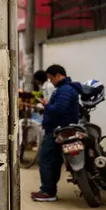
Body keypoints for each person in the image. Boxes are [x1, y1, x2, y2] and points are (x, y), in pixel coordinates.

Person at [30, 64, 80, 202]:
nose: (50, 82)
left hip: (56, 130)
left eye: (51, 79)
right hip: (60, 129)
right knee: (54, 161)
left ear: (58, 75)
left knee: (46, 160)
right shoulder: (66, 89)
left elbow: (59, 110)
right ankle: (49, 189)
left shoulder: (64, 90)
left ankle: (47, 191)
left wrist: (47, 105)